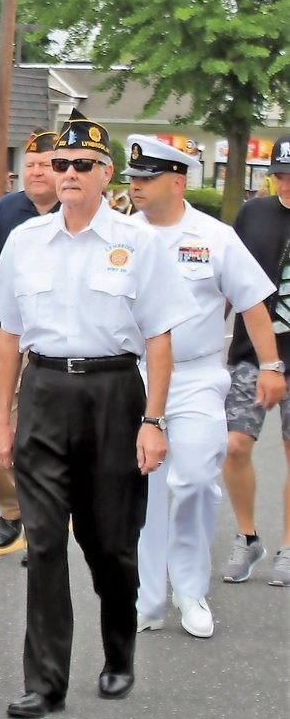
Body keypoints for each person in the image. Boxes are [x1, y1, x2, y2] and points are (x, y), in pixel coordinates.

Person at [0, 110, 192, 719]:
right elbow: (7, 334)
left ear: (106, 176)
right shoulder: (25, 241)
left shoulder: (138, 243)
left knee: (109, 547)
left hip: (113, 396)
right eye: (58, 164)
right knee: (45, 542)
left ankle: (118, 655)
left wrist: (153, 422)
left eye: (82, 165)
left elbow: (158, 339)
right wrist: (3, 422)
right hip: (45, 390)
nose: (67, 174)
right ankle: (45, 681)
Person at [124, 136, 282, 635]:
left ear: (177, 180)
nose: (137, 186)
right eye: (133, 177)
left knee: (192, 479)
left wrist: (272, 366)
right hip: (135, 375)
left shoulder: (213, 236)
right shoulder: (120, 235)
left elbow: (254, 303)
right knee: (143, 490)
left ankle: (190, 590)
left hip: (194, 375)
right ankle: (148, 599)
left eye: (147, 178)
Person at [0, 130, 60, 548]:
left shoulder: (77, 211)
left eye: (46, 164)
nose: (37, 172)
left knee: (41, 432)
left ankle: (44, 519)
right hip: (4, 335)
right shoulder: (5, 212)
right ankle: (13, 507)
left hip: (54, 343)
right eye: (31, 165)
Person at [220, 136, 290, 586]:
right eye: (281, 176)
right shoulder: (254, 214)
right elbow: (226, 280)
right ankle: (248, 538)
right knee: (234, 445)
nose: (287, 184)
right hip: (252, 354)